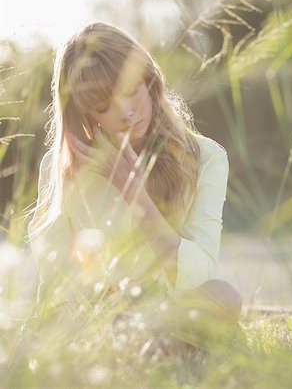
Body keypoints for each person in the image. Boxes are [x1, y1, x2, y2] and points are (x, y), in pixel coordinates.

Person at [26, 21, 243, 352]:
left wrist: (132, 190)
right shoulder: (60, 168)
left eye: (131, 92)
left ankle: (150, 348)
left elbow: (200, 272)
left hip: (168, 311)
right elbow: (56, 278)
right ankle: (147, 352)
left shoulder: (206, 158)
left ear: (149, 80)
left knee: (223, 296)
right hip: (97, 319)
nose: (126, 113)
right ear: (86, 114)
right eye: (103, 107)